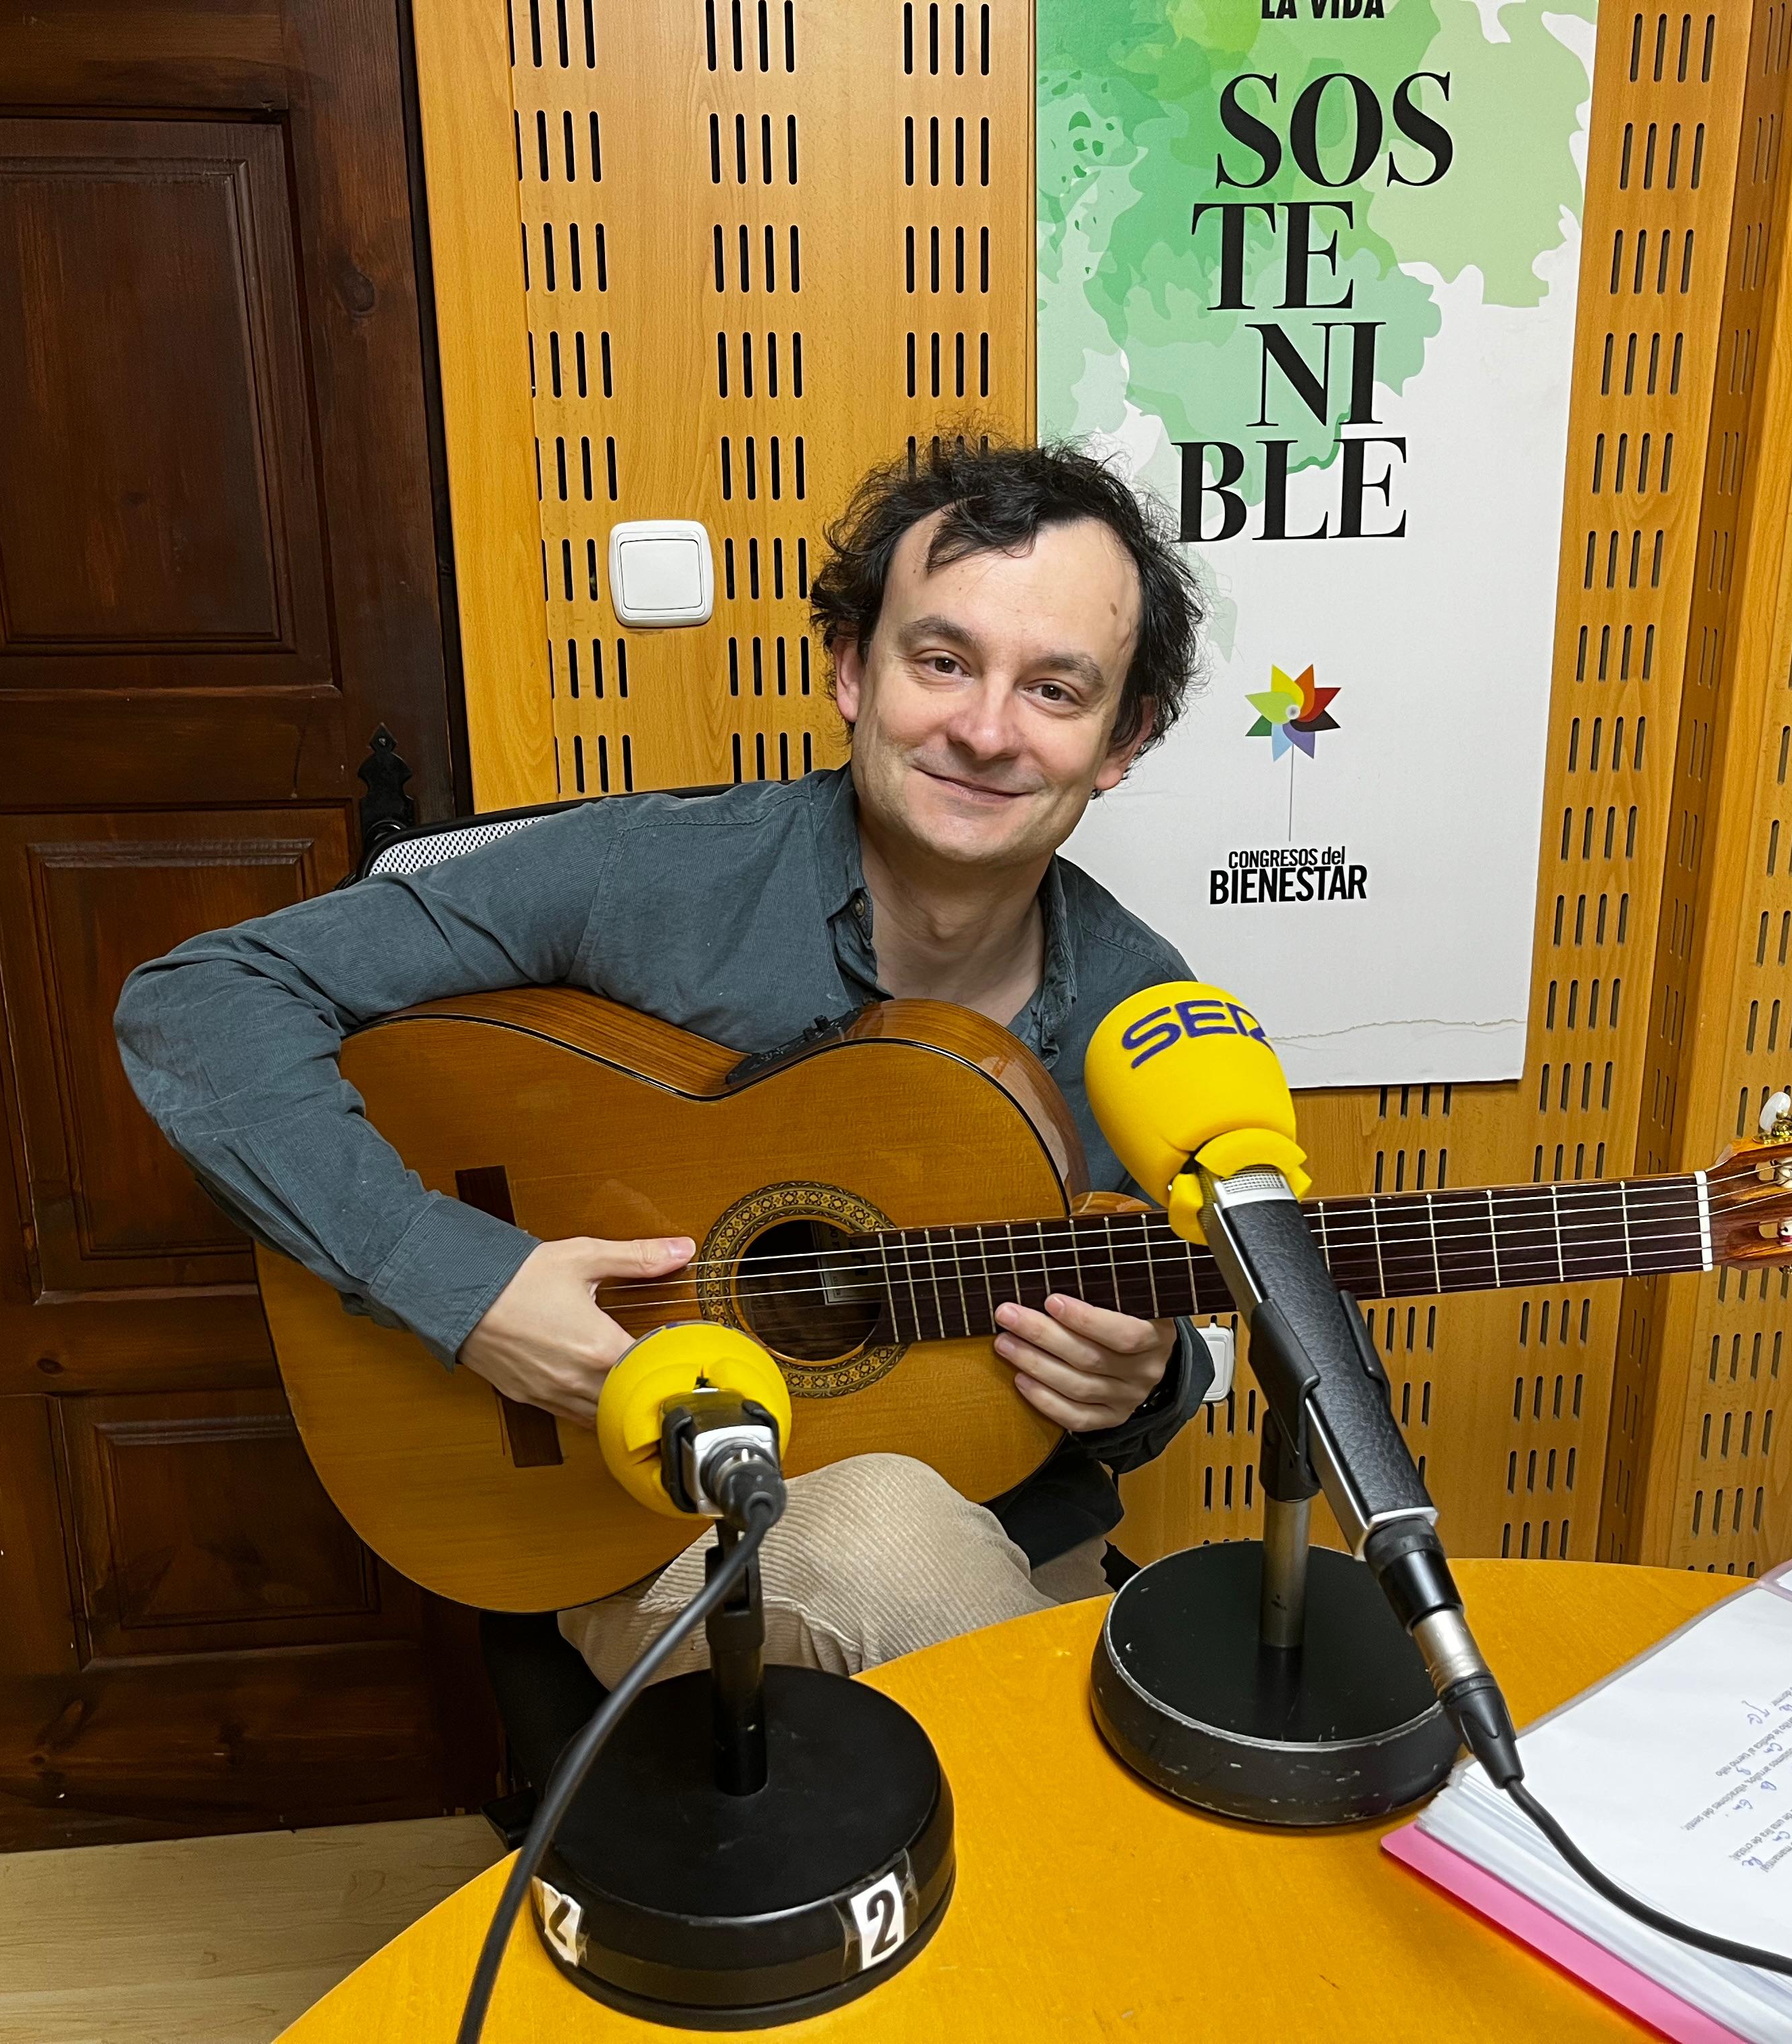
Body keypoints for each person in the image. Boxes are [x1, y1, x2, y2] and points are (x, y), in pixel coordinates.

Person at [115, 439, 1213, 1693]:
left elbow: (1172, 1329)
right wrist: (457, 1282)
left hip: (1013, 1551)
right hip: (640, 1535)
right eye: (943, 660)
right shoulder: (647, 876)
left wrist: (1147, 1374)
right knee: (888, 1543)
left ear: (1122, 741)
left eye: (1055, 691)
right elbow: (200, 997)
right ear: (854, 669)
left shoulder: (1155, 1020)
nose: (984, 729)